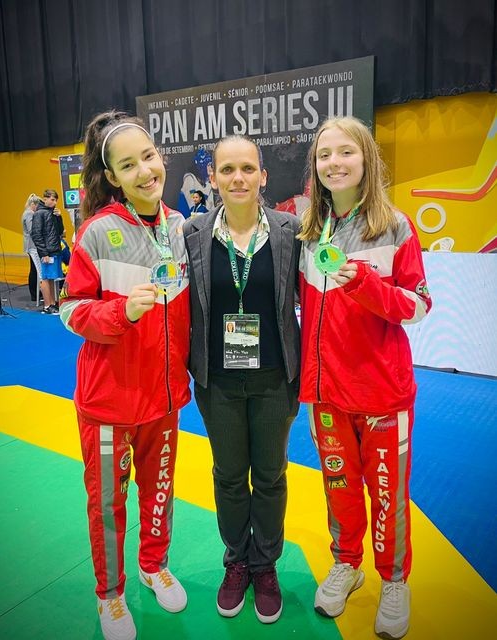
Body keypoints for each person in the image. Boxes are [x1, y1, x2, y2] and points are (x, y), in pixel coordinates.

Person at [298, 116, 432, 640]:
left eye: (345, 152)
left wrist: (366, 285)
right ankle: (346, 562)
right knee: (340, 490)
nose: (334, 162)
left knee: (387, 494)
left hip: (383, 394)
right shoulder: (309, 231)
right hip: (328, 394)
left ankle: (394, 580)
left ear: (367, 159)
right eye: (324, 154)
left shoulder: (395, 226)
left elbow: (419, 306)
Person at [59, 110, 191, 640]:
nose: (144, 171)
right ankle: (110, 596)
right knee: (109, 505)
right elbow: (71, 309)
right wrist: (121, 312)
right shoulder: (97, 232)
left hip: (163, 398)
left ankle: (154, 566)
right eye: (128, 165)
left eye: (149, 157)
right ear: (112, 176)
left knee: (160, 491)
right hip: (109, 401)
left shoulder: (181, 228)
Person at [183, 135, 301, 625]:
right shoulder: (191, 233)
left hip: (275, 378)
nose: (238, 178)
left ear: (263, 176)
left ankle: (264, 564)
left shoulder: (291, 231)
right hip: (218, 382)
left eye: (248, 168)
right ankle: (236, 561)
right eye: (227, 169)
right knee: (229, 476)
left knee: (270, 475)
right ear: (212, 178)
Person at [30, 188, 65, 314]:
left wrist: (59, 217)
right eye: (52, 199)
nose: (55, 202)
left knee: (51, 278)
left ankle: (52, 303)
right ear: (45, 199)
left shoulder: (52, 213)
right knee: (45, 278)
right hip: (47, 251)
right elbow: (36, 235)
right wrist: (43, 253)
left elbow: (60, 231)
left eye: (56, 200)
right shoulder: (39, 214)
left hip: (55, 250)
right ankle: (47, 305)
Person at [21, 193, 42, 302]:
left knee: (34, 269)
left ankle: (36, 293)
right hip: (32, 245)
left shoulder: (27, 213)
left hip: (31, 245)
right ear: (33, 204)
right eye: (37, 206)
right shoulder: (29, 213)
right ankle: (34, 293)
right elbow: (31, 230)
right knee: (34, 270)